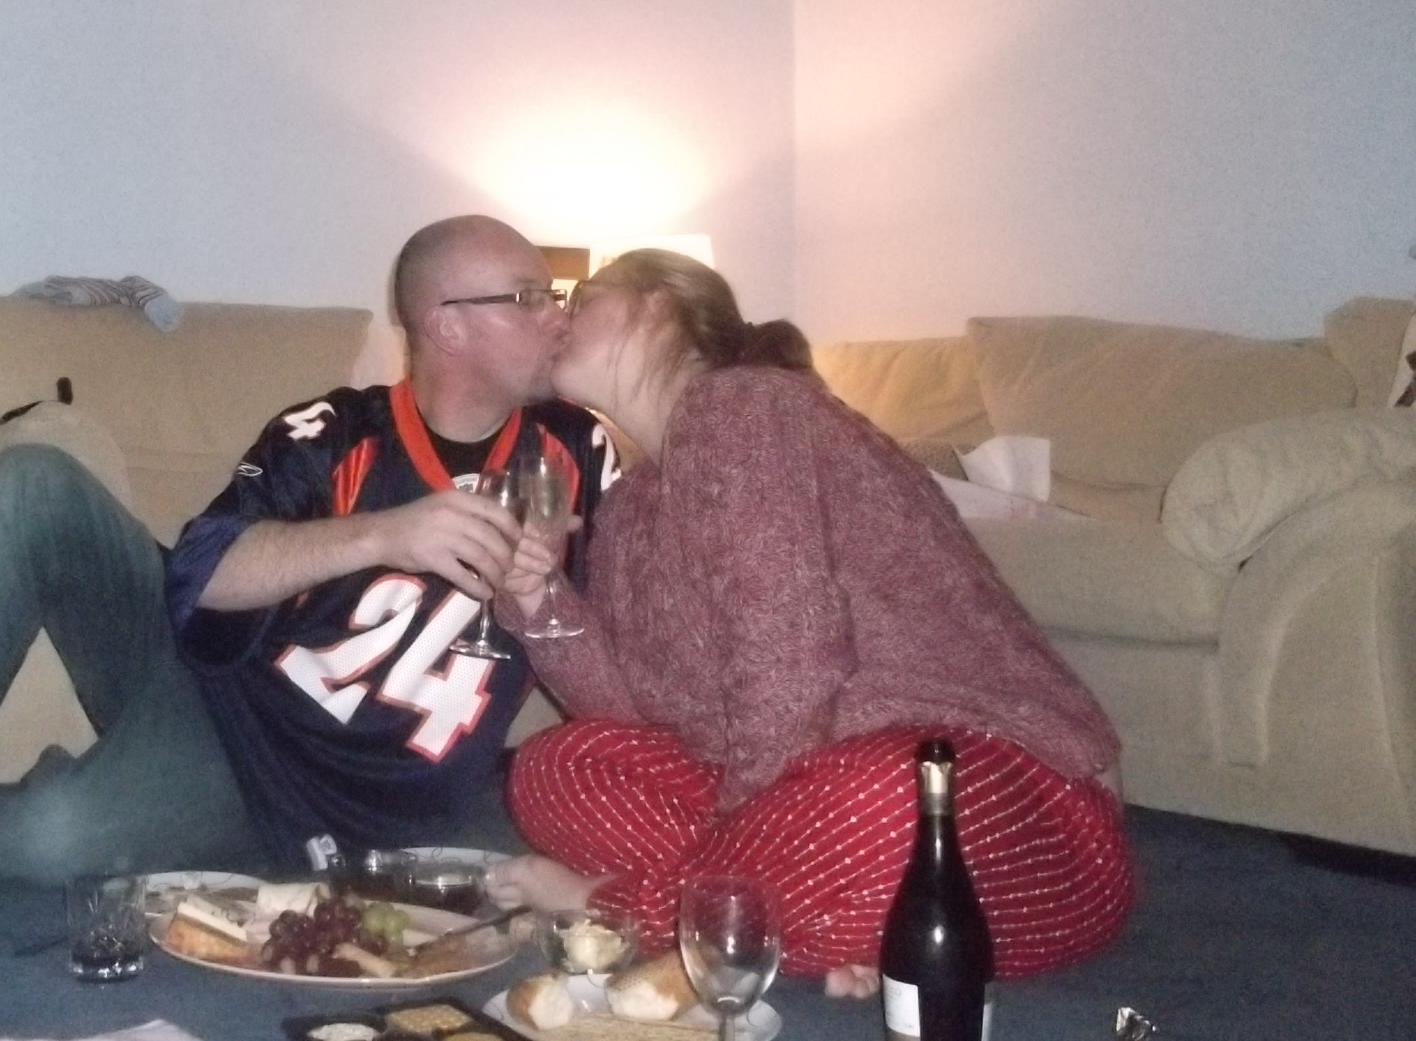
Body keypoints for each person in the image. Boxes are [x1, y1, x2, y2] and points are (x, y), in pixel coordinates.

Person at [0, 215, 619, 936]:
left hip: (306, 800)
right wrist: (385, 534)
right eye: (530, 297)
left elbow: (631, 662)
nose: (557, 315)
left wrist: (545, 597)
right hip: (221, 700)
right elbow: (202, 575)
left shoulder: (580, 452)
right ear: (447, 325)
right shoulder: (334, 432)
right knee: (32, 480)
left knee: (45, 841)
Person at [483, 249, 1133, 997]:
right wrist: (538, 595)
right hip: (804, 803)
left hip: (1012, 805)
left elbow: (789, 660)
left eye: (582, 298)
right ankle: (816, 921)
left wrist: (770, 833)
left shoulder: (747, 408)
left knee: (879, 801)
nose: (559, 317)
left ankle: (626, 910)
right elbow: (629, 716)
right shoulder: (629, 508)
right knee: (557, 766)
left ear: (658, 303)